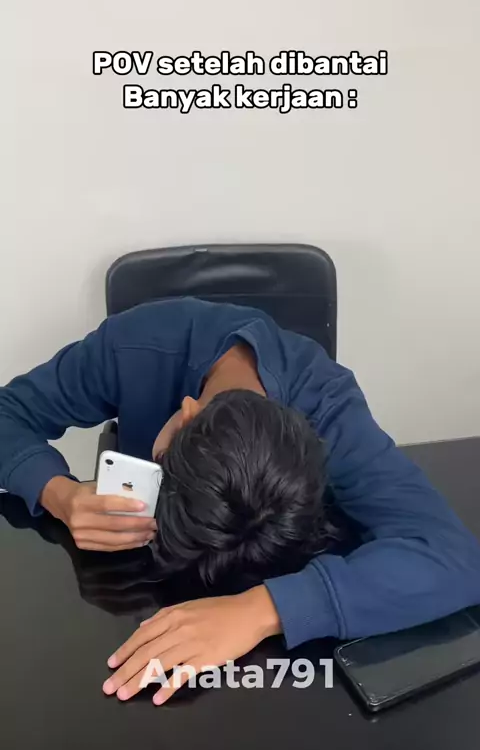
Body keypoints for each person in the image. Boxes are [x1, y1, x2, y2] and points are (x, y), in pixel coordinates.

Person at [1, 297, 479, 706]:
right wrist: (58, 493)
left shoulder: (330, 409)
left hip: (262, 592)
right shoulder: (137, 344)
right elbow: (8, 414)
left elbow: (454, 558)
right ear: (186, 414)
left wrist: (264, 609)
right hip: (142, 584)